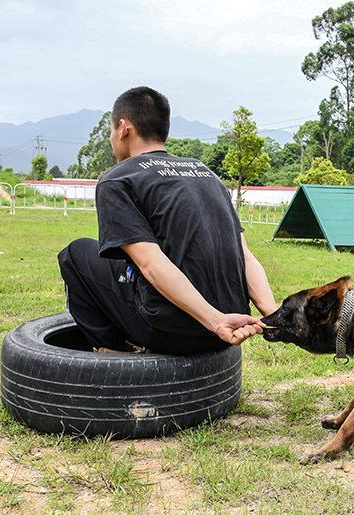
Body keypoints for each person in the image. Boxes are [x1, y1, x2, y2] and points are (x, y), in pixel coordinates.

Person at [58, 86, 276, 354]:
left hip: (174, 332)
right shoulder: (207, 175)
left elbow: (151, 263)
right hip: (228, 329)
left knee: (75, 253)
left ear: (123, 128)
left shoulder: (118, 179)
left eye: (112, 131)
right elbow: (246, 256)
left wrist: (216, 321)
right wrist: (274, 315)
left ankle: (114, 353)